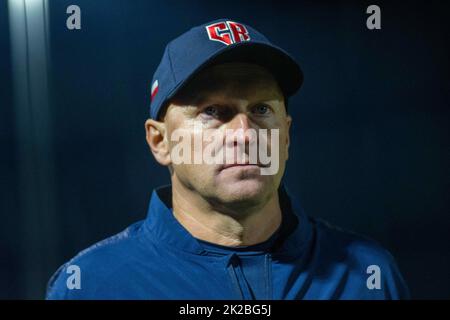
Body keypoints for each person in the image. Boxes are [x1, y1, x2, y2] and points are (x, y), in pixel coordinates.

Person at [46, 19, 409, 299]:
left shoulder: (366, 274)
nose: (244, 133)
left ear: (286, 135)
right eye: (214, 111)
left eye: (262, 109)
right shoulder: (94, 285)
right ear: (160, 142)